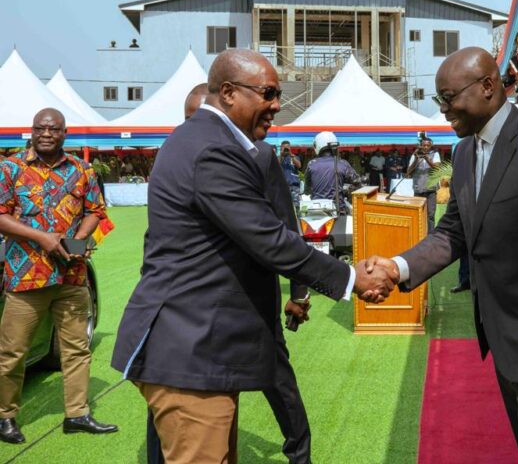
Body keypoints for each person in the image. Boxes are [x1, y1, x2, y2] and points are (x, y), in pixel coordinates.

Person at [111, 49, 397, 463]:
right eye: (268, 93)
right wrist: (352, 278)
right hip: (192, 351)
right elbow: (269, 239)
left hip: (205, 349)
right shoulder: (212, 148)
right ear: (228, 93)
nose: (277, 105)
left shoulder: (206, 141)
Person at [363, 47, 518, 464]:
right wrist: (397, 267)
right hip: (501, 339)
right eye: (439, 99)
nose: (444, 109)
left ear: (487, 86)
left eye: (449, 98)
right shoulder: (464, 153)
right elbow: (454, 233)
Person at [0, 108, 118, 444]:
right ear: (31, 131)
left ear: (65, 133)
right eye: (40, 128)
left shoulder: (81, 170)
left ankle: (77, 414)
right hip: (26, 276)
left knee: (77, 349)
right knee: (12, 352)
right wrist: (42, 238)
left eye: (54, 129)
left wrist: (78, 240)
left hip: (71, 276)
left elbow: (95, 211)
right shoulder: (10, 168)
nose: (47, 134)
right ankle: (5, 417)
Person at [304, 132, 362, 216]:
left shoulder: (311, 164)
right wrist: (347, 191)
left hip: (316, 210)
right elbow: (357, 182)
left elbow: (307, 190)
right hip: (338, 210)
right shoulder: (342, 163)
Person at [406, 136, 441, 233]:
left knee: (430, 215)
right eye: (424, 145)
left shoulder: (435, 154)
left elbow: (437, 168)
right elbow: (408, 172)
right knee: (418, 213)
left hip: (431, 189)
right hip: (418, 188)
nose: (425, 147)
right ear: (421, 146)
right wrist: (416, 159)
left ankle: (431, 235)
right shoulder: (415, 155)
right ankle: (418, 234)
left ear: (431, 146)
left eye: (428, 145)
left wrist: (426, 158)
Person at [279, 140, 302, 210]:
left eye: (287, 147)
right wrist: (281, 154)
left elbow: (299, 165)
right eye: (284, 147)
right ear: (281, 148)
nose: (286, 149)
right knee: (283, 207)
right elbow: (276, 164)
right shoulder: (279, 158)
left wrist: (291, 155)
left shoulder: (294, 157)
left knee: (296, 207)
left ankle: (297, 217)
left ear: (290, 148)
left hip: (294, 186)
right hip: (282, 186)